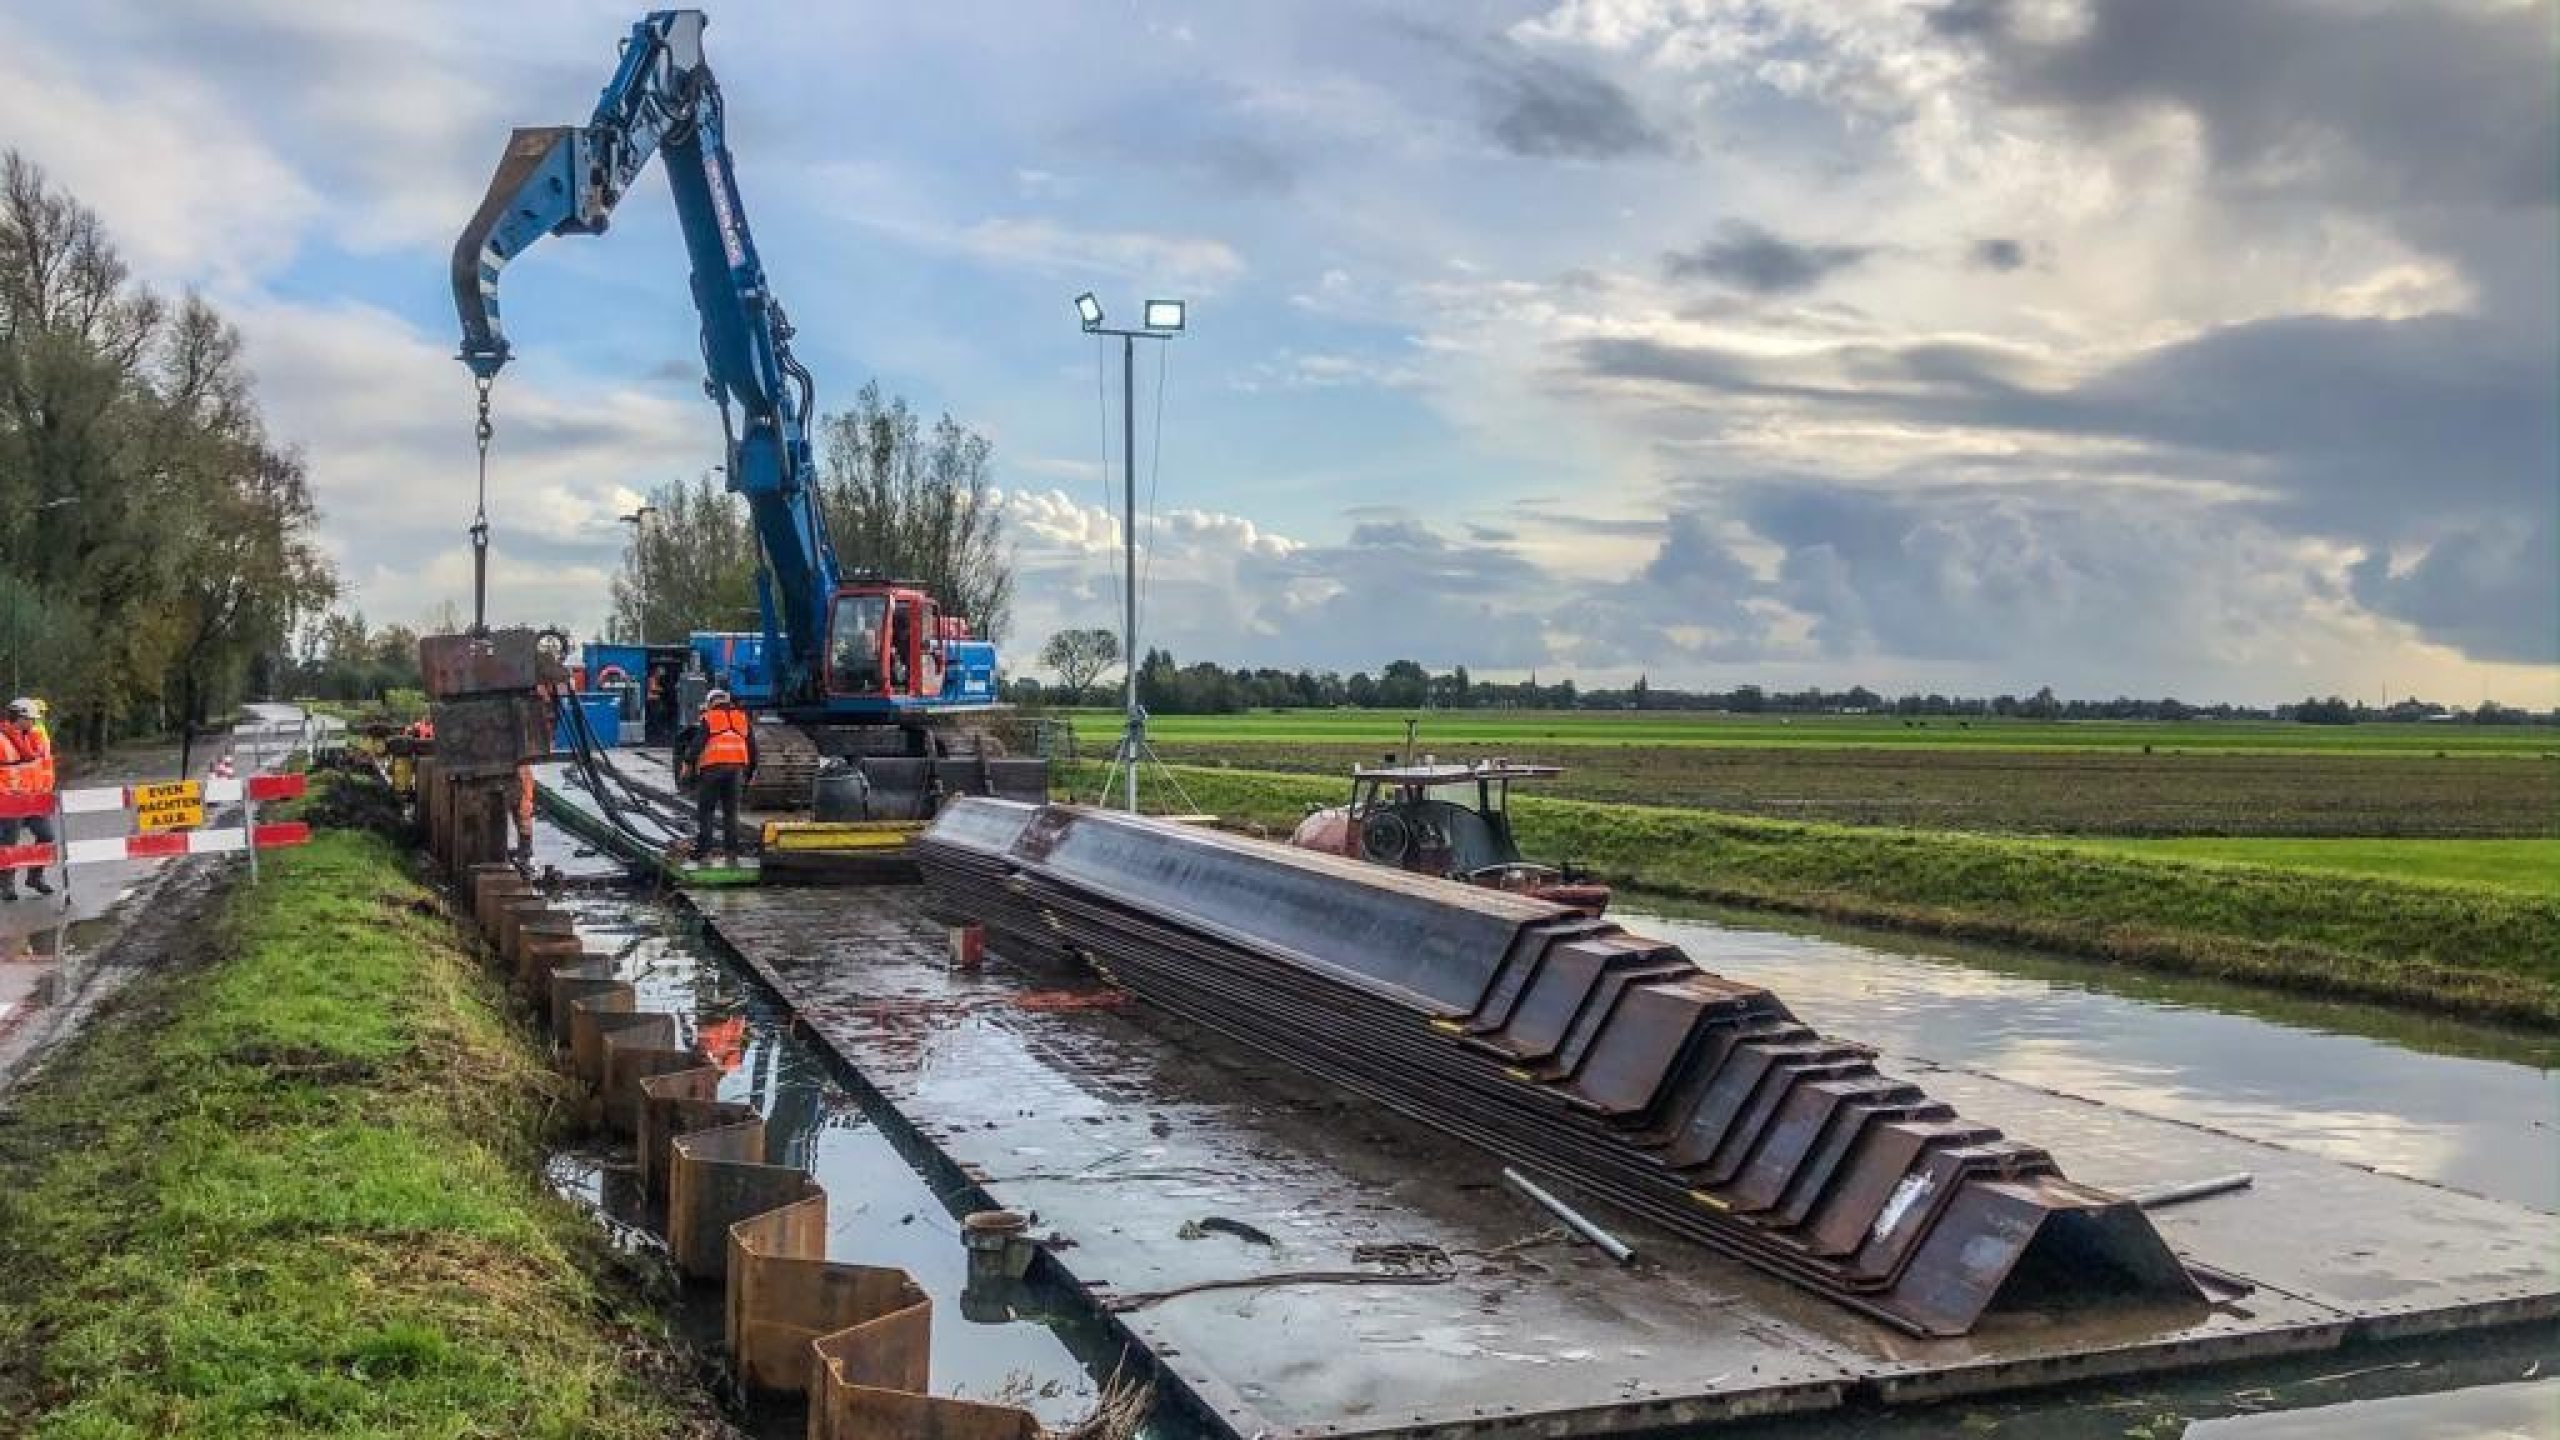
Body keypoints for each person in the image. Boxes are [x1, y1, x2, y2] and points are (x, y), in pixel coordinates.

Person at [676, 687, 757, 866]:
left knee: (706, 812)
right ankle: (732, 853)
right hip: (736, 770)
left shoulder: (710, 717)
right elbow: (752, 748)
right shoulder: (742, 717)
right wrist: (750, 773)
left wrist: (687, 765)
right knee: (731, 813)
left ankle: (704, 853)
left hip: (712, 770)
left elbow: (698, 744)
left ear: (711, 702)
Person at [1, 700, 55, 898]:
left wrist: (45, 791)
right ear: (20, 718)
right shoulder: (1, 739)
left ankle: (35, 876)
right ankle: (7, 884)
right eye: (31, 719)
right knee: (8, 842)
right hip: (9, 801)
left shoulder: (34, 738)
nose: (34, 722)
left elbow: (42, 766)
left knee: (47, 835)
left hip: (34, 799)